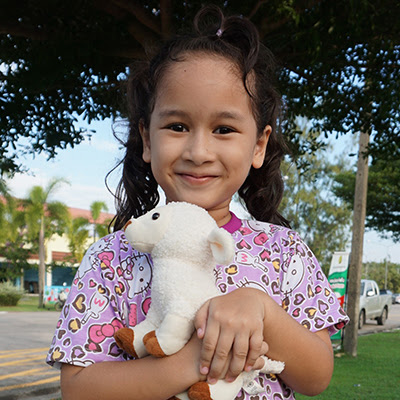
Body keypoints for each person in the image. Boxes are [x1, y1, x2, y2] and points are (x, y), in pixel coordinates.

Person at [47, 5, 349, 400]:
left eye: (224, 129)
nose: (199, 150)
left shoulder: (285, 251)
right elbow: (79, 389)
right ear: (148, 139)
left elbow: (317, 376)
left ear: (258, 145)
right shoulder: (111, 258)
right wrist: (194, 361)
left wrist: (262, 311)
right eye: (177, 126)